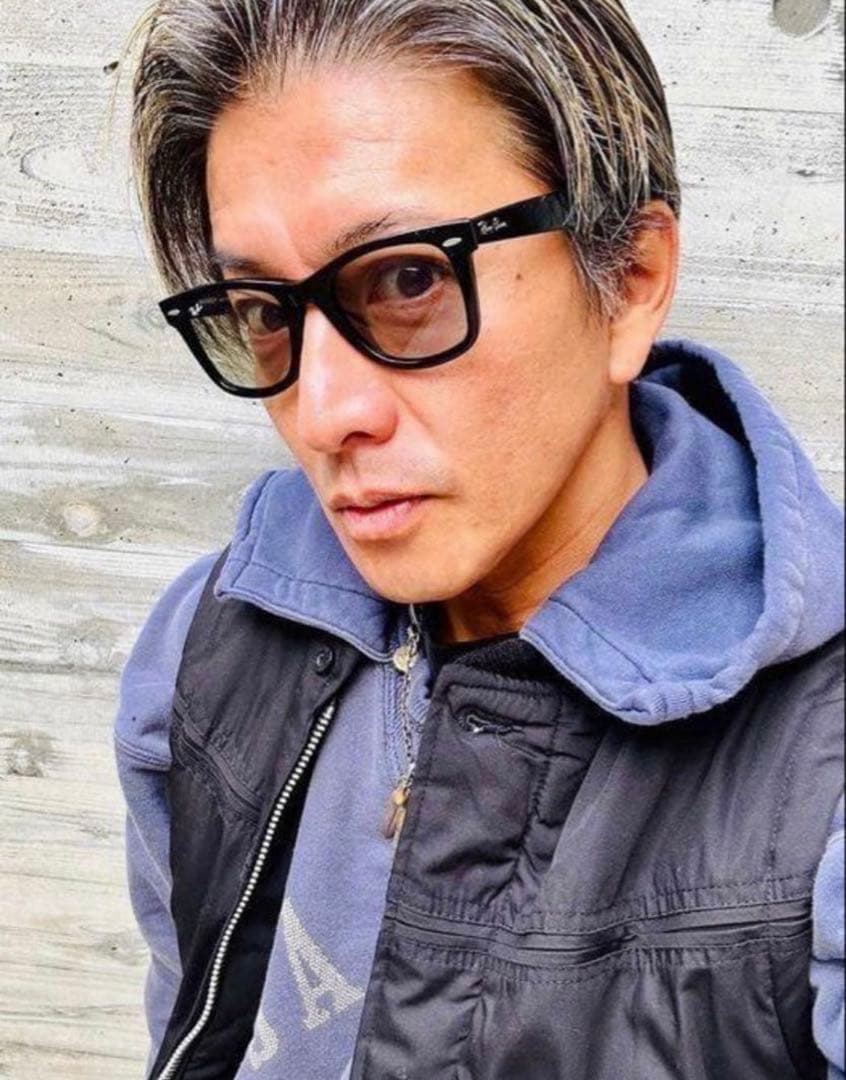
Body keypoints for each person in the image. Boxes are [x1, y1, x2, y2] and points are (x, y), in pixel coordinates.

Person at [115, 1, 845, 1077]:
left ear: (630, 279)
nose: (324, 412)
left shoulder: (820, 777)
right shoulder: (206, 644)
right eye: (264, 309)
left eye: (408, 278)